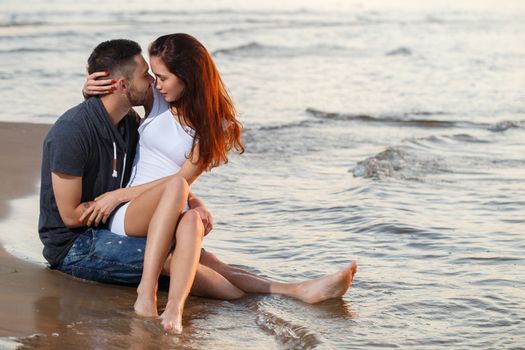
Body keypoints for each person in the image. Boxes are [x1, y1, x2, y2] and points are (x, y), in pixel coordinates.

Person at [41, 36, 357, 335]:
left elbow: (178, 177)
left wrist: (195, 204)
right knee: (191, 258)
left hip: (159, 206)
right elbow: (118, 94)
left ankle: (296, 290)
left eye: (160, 76)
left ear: (186, 77)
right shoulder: (148, 106)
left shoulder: (196, 125)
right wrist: (89, 89)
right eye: (150, 75)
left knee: (207, 253)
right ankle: (152, 294)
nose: (153, 82)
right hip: (113, 222)